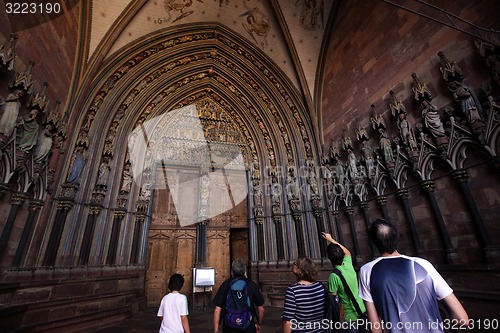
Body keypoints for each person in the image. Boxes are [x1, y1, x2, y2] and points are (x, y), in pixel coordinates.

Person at [358, 219, 469, 333]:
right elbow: (462, 319)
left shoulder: (367, 271)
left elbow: (375, 327)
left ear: (374, 243)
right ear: (396, 238)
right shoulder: (423, 264)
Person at [323, 232, 366, 332]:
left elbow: (332, 301)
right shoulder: (348, 265)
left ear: (330, 259)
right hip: (361, 310)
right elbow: (347, 252)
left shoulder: (334, 277)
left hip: (348, 316)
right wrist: (331, 239)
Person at [213, 259, 265, 333]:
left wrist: (216, 329)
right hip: (247, 326)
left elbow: (217, 309)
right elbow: (261, 309)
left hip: (229, 326)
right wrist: (259, 324)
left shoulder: (226, 285)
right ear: (245, 271)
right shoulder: (251, 285)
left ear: (231, 272)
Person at [281, 256, 325, 333]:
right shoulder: (320, 286)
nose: (292, 265)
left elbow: (287, 321)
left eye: (295, 264)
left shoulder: (293, 290)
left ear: (300, 270)